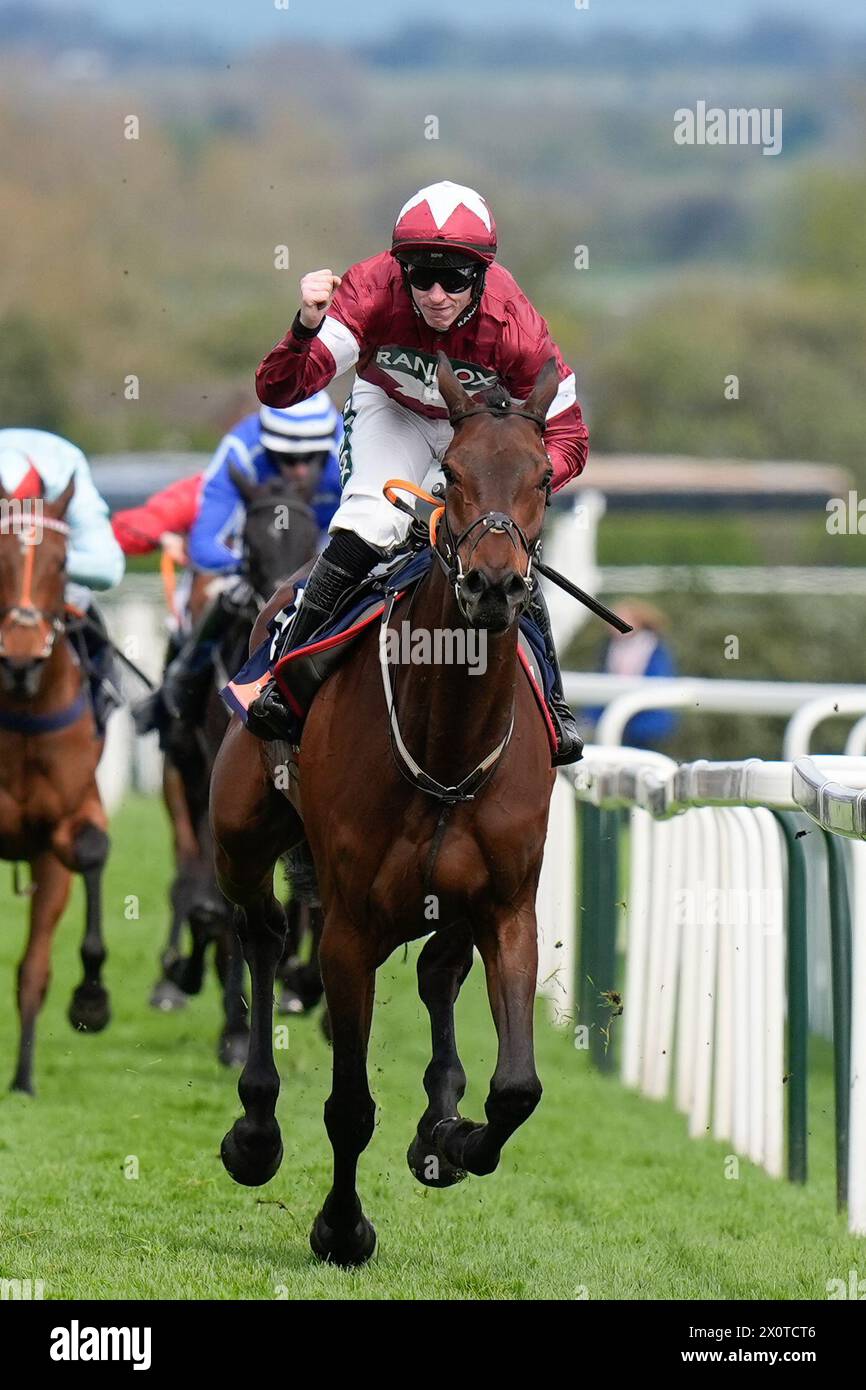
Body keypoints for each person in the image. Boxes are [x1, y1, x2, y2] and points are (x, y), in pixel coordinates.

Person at [247, 179, 589, 764]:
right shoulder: (369, 291)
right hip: (393, 411)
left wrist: (513, 487)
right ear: (398, 270)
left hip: (480, 433)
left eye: (453, 278)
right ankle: (283, 678)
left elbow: (571, 440)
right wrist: (305, 325)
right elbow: (279, 390)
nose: (434, 294)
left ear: (481, 275)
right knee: (369, 522)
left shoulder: (519, 328)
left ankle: (553, 705)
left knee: (502, 544)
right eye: (420, 276)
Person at [134, 395, 342, 733]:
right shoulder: (241, 450)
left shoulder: (349, 448)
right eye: (287, 459)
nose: (300, 469)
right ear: (268, 447)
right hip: (257, 555)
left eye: (311, 458)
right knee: (205, 589)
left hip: (328, 547)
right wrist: (254, 564)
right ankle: (181, 683)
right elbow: (205, 546)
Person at [0, 428, 125, 732]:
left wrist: (45, 564)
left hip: (55, 594)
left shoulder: (65, 467)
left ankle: (101, 706)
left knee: (92, 629)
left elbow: (108, 569)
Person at [584, 600, 679, 749]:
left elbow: (657, 682)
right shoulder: (609, 648)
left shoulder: (653, 648)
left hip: (645, 723)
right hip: (614, 718)